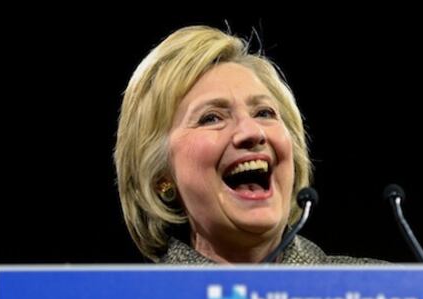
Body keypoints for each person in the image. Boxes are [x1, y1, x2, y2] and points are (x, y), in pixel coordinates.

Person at [114, 25, 383, 265]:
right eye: (211, 118)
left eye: (264, 113)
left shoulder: (381, 293)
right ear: (161, 176)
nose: (252, 132)